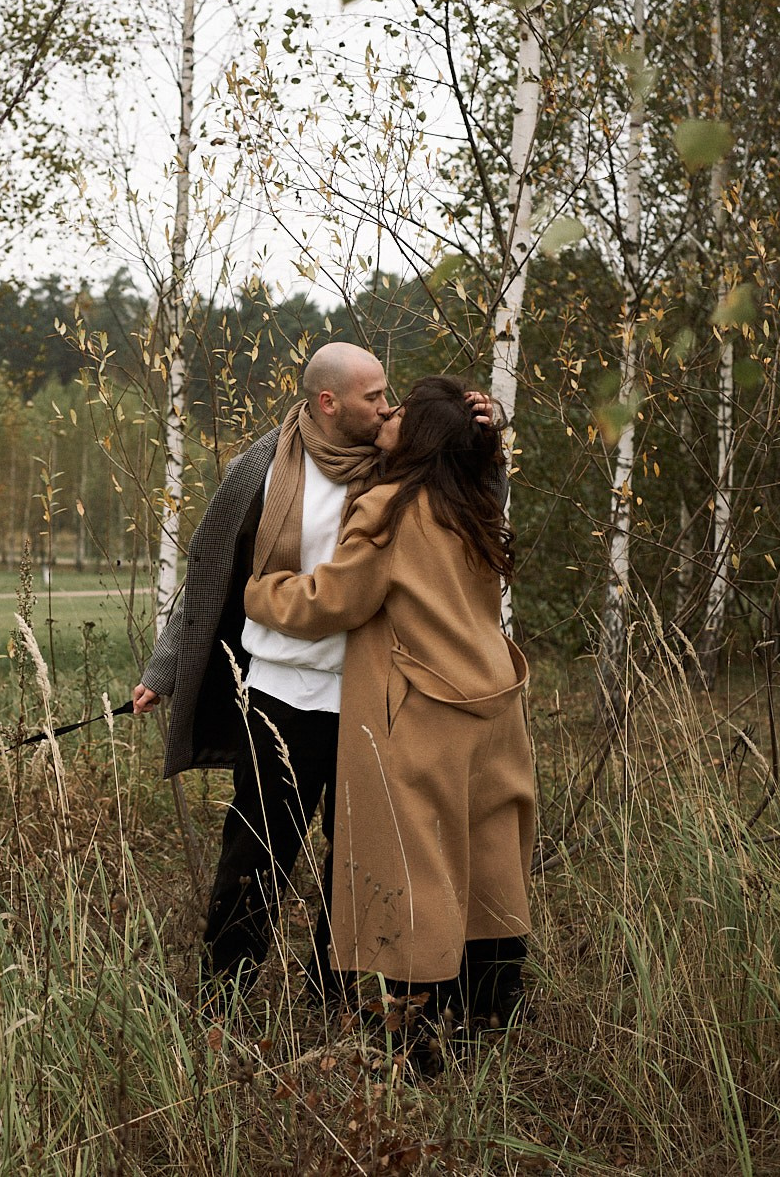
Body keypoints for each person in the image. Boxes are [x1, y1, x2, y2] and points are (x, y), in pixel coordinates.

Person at [132, 344, 491, 997]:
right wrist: (165, 668)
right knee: (254, 857)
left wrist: (483, 434)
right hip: (278, 696)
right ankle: (225, 998)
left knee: (356, 862)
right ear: (328, 402)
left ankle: (333, 996)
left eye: (389, 393)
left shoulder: (400, 464)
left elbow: (471, 501)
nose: (387, 405)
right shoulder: (264, 467)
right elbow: (211, 572)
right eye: (373, 396)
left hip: (370, 699)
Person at [243, 375, 534, 1054]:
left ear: (424, 433)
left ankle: (410, 1034)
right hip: (492, 705)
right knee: (487, 857)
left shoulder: (389, 508)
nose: (390, 413)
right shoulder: (472, 499)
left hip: (424, 710)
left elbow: (330, 602)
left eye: (402, 410)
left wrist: (262, 591)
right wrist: (488, 441)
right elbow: (490, 472)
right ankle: (489, 1011)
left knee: (412, 864)